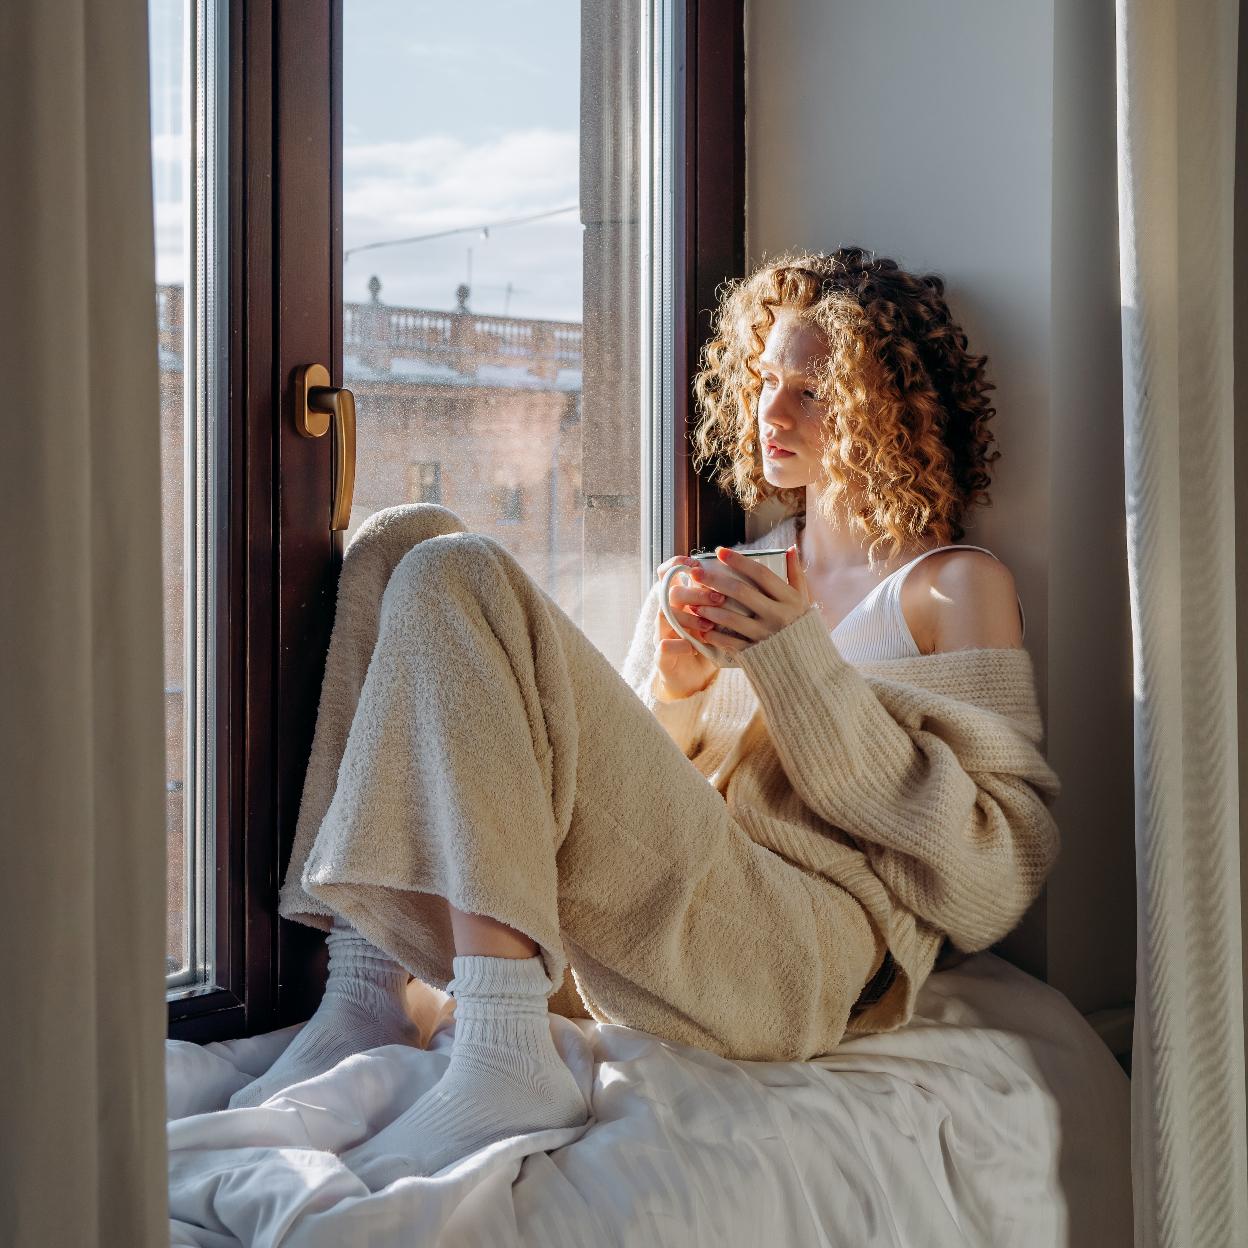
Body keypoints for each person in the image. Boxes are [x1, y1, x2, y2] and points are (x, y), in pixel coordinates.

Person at [226, 246, 1062, 1191]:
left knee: (461, 573)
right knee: (401, 543)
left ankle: (505, 1053)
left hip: (797, 954)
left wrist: (795, 667)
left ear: (890, 409)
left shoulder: (952, 586)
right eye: (766, 380)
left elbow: (993, 879)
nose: (772, 413)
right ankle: (366, 987)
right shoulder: (742, 569)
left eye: (813, 391)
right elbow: (608, 806)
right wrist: (673, 685)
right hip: (670, 920)